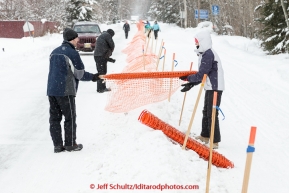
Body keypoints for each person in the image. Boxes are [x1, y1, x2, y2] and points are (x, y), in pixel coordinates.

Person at [47, 28, 100, 153]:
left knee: (54, 119)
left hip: (51, 90)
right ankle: (70, 144)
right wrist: (93, 77)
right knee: (70, 117)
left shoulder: (54, 52)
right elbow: (79, 74)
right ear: (72, 39)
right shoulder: (72, 53)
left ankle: (58, 146)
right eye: (77, 38)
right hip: (66, 90)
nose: (78, 40)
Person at [179, 30, 224, 149]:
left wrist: (188, 79)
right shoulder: (205, 53)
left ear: (203, 42)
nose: (196, 44)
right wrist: (191, 84)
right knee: (206, 112)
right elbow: (203, 75)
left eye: (197, 42)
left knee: (212, 113)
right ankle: (205, 135)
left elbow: (201, 74)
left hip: (215, 87)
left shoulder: (208, 54)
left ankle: (214, 141)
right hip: (210, 86)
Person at [93, 29, 115, 93]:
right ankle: (101, 88)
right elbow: (112, 45)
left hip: (97, 56)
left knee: (101, 71)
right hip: (100, 56)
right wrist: (111, 50)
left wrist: (109, 58)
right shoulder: (107, 35)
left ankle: (101, 87)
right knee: (102, 72)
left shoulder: (102, 35)